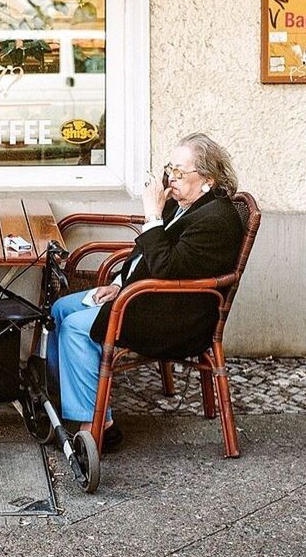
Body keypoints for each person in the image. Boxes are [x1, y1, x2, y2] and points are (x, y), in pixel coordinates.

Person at [48, 132, 244, 449]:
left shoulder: (215, 219)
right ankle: (64, 402)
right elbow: (144, 253)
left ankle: (98, 428)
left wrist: (152, 214)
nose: (170, 177)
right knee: (59, 310)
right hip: (150, 298)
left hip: (174, 318)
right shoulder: (183, 206)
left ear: (207, 179)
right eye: (170, 168)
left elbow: (166, 268)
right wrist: (115, 285)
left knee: (76, 328)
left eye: (180, 171)